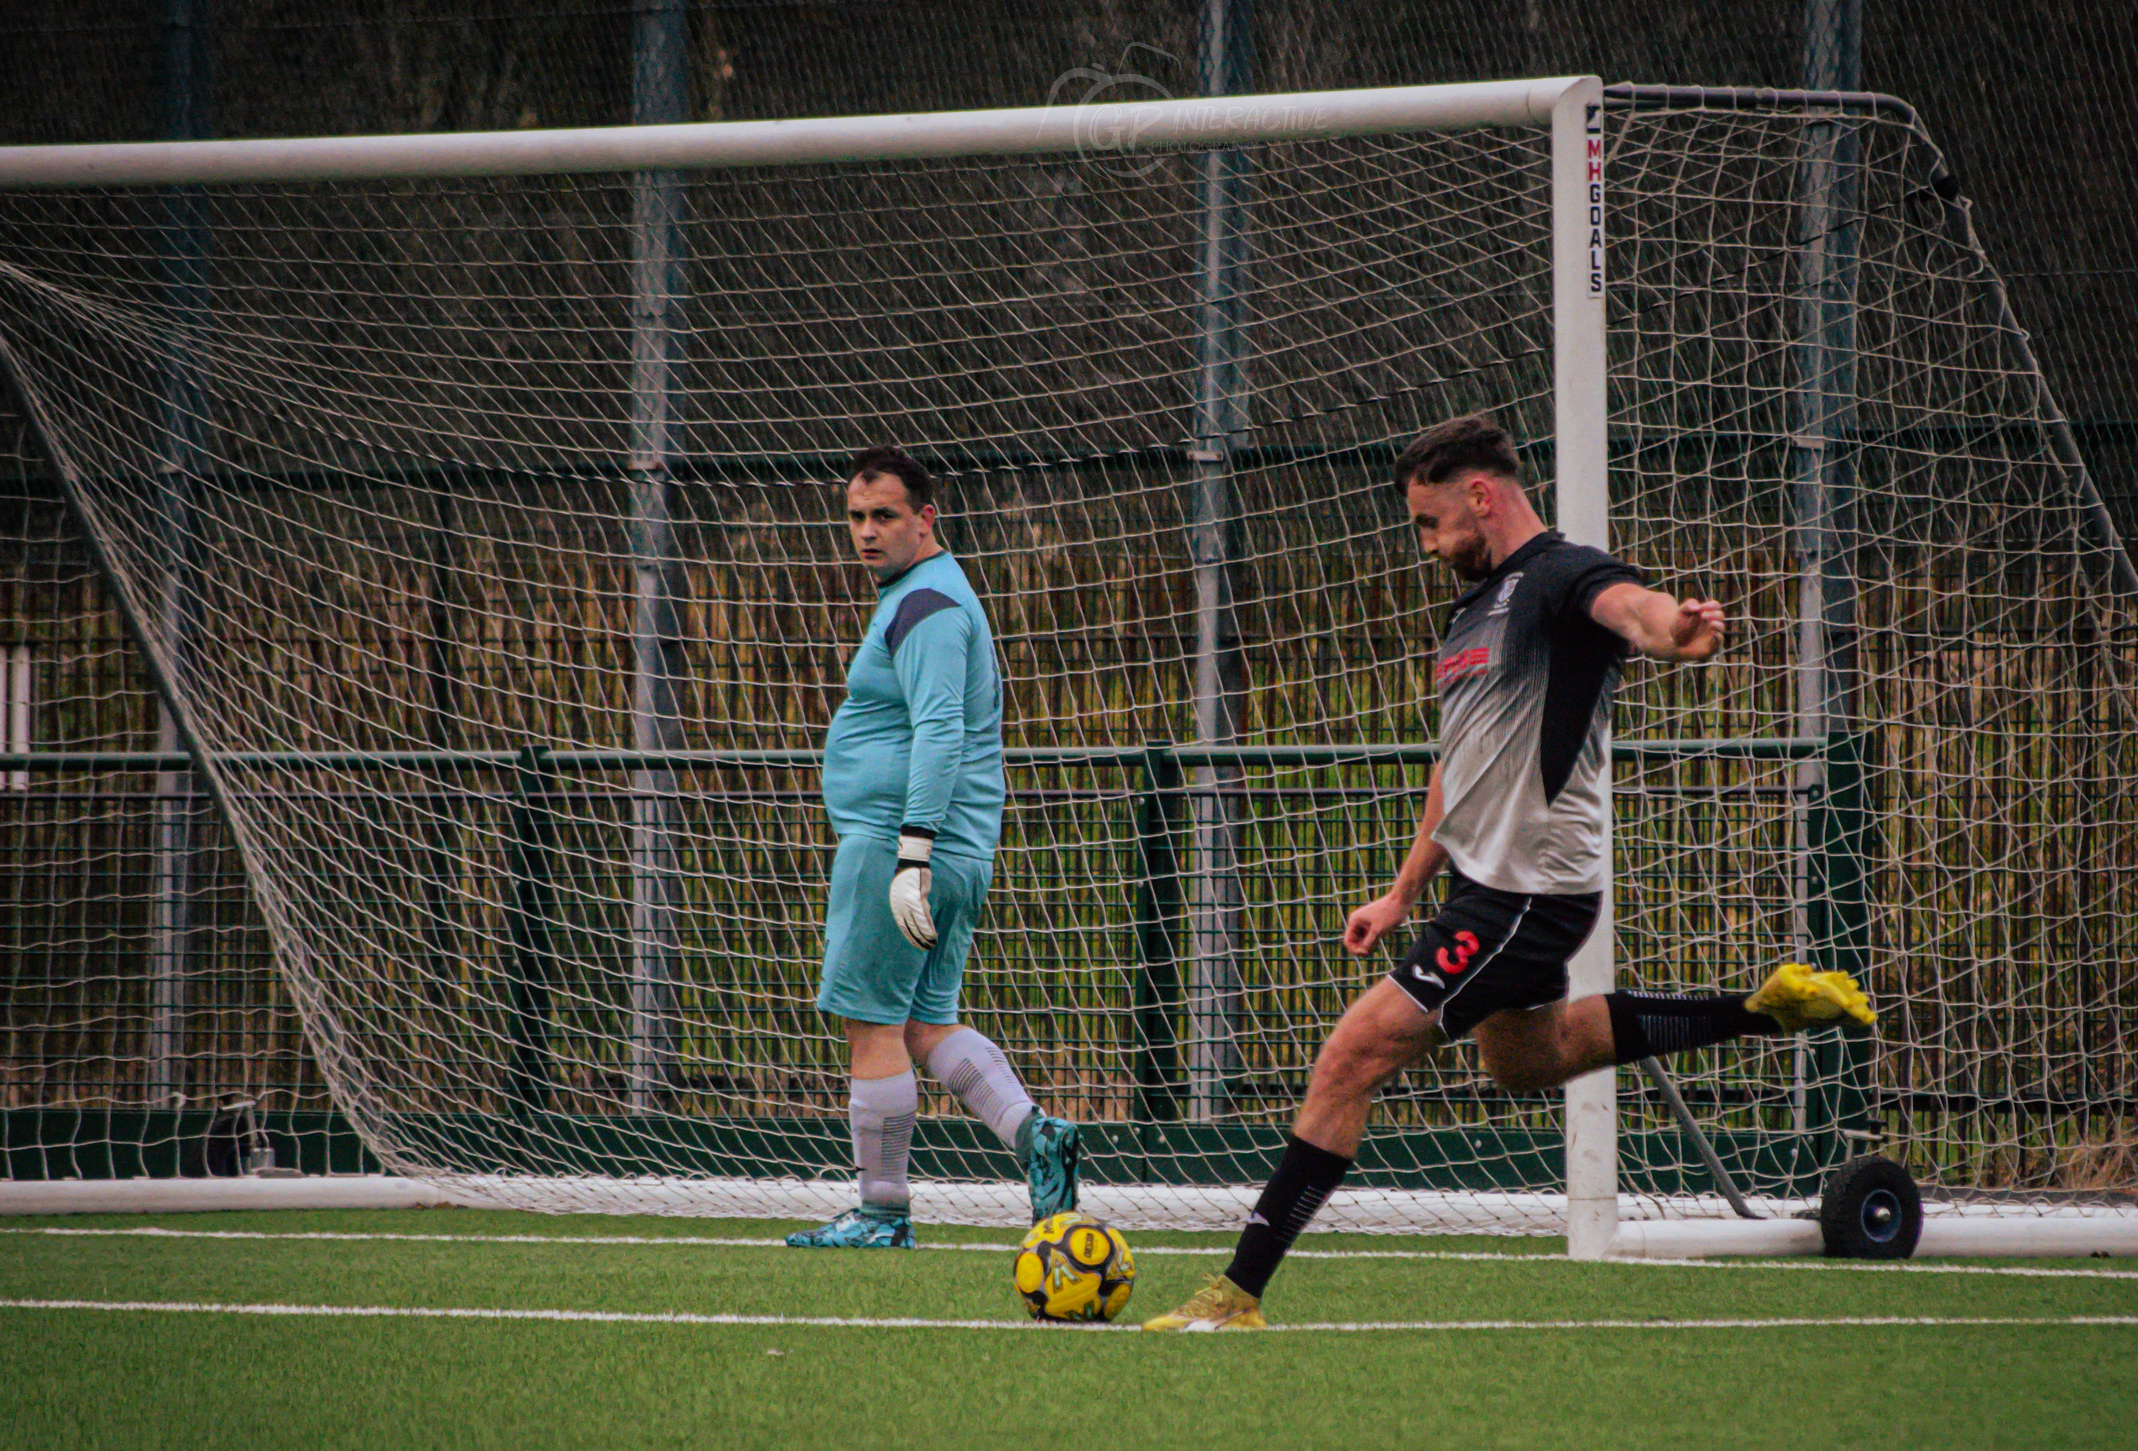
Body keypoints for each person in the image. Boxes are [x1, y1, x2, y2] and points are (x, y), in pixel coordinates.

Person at [1142, 414, 1873, 1328]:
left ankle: (1235, 1293)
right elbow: (1461, 764)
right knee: (1530, 1060)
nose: (1428, 544)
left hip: (1531, 894)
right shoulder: (1467, 614)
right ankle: (1760, 1010)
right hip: (1478, 887)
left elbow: (1634, 610)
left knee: (1347, 1059)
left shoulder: (1562, 574)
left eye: (1430, 522)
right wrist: (1404, 889)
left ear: (1479, 497)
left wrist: (1675, 629)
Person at [787, 446, 1082, 1248]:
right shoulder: (929, 598)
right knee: (923, 1024)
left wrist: (911, 851)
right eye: (855, 517)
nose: (866, 532)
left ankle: (882, 1212)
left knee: (868, 1022)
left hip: (900, 844)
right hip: (951, 848)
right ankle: (1037, 1138)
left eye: (884, 516)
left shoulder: (928, 604)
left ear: (927, 518)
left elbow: (940, 729)